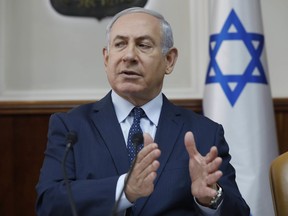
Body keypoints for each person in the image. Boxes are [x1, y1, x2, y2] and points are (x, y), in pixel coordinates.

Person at [36, 7, 250, 216]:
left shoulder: (203, 133)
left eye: (143, 45)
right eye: (120, 44)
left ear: (169, 60)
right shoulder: (71, 127)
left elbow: (240, 212)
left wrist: (210, 199)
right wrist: (124, 189)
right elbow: (48, 203)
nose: (129, 55)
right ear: (106, 58)